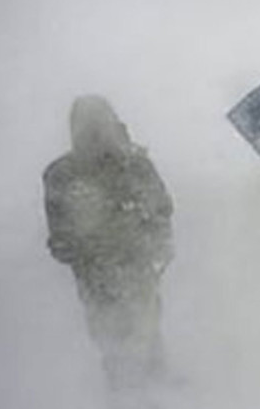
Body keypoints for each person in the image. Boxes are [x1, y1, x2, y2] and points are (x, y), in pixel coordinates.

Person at [43, 95, 174, 393]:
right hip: (99, 281)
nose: (95, 134)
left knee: (145, 340)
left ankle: (159, 407)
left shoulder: (135, 165)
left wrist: (156, 254)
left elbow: (162, 212)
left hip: (136, 274)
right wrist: (84, 246)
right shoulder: (62, 175)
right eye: (87, 127)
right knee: (116, 351)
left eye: (99, 125)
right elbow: (60, 238)